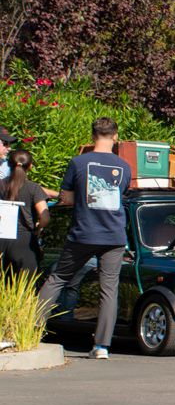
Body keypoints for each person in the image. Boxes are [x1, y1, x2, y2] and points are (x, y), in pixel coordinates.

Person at [37, 118, 132, 359]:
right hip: (114, 235)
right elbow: (122, 195)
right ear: (115, 136)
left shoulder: (78, 162)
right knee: (108, 289)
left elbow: (67, 199)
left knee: (57, 278)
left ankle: (31, 329)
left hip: (84, 232)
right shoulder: (124, 166)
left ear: (92, 136)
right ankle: (102, 347)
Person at [0, 149, 50, 273]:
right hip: (24, 241)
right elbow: (45, 217)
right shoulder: (34, 188)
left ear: (9, 164)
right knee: (25, 287)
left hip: (1, 237)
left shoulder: (1, 185)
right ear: (30, 166)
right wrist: (38, 228)